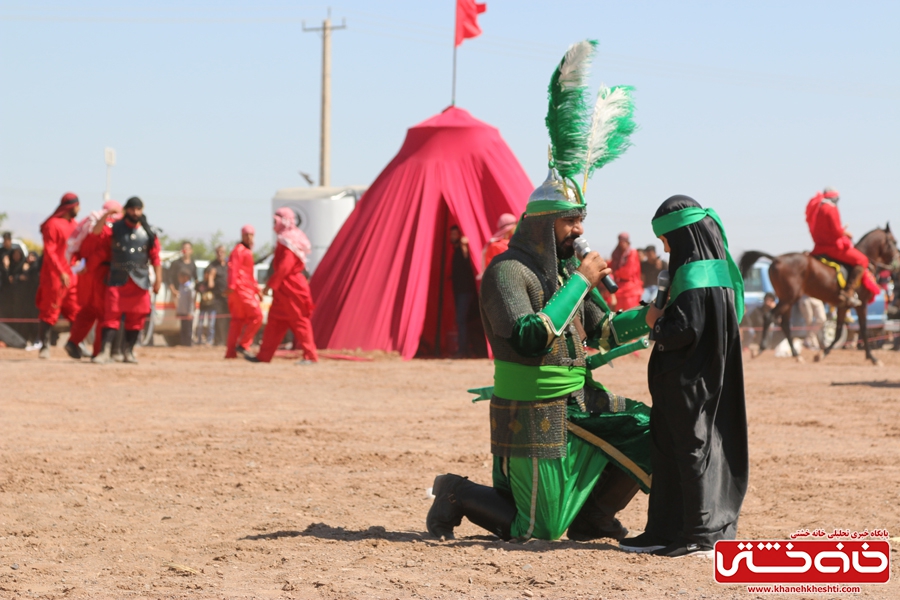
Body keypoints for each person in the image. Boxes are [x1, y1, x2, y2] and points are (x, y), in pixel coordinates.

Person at [426, 171, 654, 543]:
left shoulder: (566, 273)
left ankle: (594, 518)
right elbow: (530, 337)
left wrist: (650, 316)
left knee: (648, 431)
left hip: (580, 398)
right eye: (569, 220)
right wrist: (582, 280)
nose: (579, 230)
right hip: (532, 406)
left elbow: (605, 331)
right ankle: (456, 492)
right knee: (538, 531)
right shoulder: (506, 272)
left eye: (581, 219)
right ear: (543, 225)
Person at [620, 195, 748, 558]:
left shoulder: (695, 274)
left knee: (690, 450)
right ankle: (664, 530)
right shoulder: (710, 269)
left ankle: (699, 534)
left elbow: (684, 329)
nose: (662, 247)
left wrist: (655, 321)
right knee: (667, 451)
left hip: (690, 381)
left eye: (665, 239)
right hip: (683, 380)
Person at [92, 197, 162, 364]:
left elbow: (156, 258)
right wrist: (107, 215)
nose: (135, 213)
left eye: (139, 209)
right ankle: (104, 352)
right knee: (111, 316)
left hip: (140, 281)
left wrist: (158, 279)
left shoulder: (149, 232)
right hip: (117, 279)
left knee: (137, 319)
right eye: (132, 209)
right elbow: (96, 232)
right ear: (126, 210)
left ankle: (128, 352)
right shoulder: (115, 228)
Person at [249, 209, 318, 364]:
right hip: (284, 288)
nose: (274, 225)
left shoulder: (289, 241)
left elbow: (286, 266)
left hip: (291, 287)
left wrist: (271, 285)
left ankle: (310, 356)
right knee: (275, 321)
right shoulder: (285, 239)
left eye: (276, 221)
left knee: (299, 321)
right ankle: (264, 356)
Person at [63, 201, 122, 359]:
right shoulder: (108, 228)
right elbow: (102, 252)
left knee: (87, 311)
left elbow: (79, 250)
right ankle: (98, 352)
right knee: (103, 314)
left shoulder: (88, 226)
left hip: (86, 276)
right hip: (99, 275)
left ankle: (73, 342)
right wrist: (89, 266)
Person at [34, 192, 81, 358]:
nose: (79, 208)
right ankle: (44, 346)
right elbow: (50, 251)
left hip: (71, 275)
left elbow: (76, 250)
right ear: (71, 207)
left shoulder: (75, 225)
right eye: (77, 205)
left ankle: (76, 344)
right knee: (49, 309)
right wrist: (60, 271)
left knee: (76, 310)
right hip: (53, 275)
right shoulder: (52, 225)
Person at [805, 187, 869, 307]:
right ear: (835, 198)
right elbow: (836, 231)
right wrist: (846, 232)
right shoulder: (831, 209)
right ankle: (849, 292)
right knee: (862, 260)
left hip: (819, 247)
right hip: (833, 247)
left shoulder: (818, 208)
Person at [224, 226, 263, 358]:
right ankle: (244, 344)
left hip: (243, 289)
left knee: (237, 321)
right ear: (242, 236)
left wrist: (257, 289)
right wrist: (232, 285)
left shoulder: (246, 251)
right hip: (241, 289)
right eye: (247, 235)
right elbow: (233, 268)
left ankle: (230, 353)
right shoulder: (239, 250)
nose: (249, 237)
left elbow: (250, 274)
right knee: (257, 316)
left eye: (251, 235)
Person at [449, 225, 476, 357]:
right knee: (461, 320)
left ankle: (463, 350)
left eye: (455, 234)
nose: (453, 237)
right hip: (460, 291)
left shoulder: (461, 249)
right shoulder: (455, 250)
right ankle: (465, 349)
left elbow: (466, 257)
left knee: (461, 319)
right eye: (451, 235)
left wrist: (465, 245)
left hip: (465, 291)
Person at [609, 232, 643, 311]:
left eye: (624, 241)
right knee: (619, 314)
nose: (622, 243)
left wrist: (616, 273)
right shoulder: (616, 253)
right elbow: (611, 266)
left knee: (631, 314)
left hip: (631, 289)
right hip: (619, 288)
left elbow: (628, 272)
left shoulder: (632, 253)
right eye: (620, 241)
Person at [207, 244, 230, 345]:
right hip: (218, 298)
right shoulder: (212, 266)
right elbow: (209, 283)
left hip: (229, 298)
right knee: (219, 321)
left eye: (222, 252)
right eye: (218, 252)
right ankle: (219, 341)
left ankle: (228, 341)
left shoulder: (228, 265)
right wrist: (211, 277)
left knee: (229, 320)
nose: (220, 254)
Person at [195, 263, 216, 345]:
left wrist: (211, 277)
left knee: (211, 325)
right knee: (200, 324)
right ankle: (199, 340)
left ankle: (209, 341)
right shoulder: (200, 284)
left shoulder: (212, 283)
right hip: (202, 307)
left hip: (211, 306)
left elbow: (211, 286)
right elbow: (196, 294)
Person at [176, 269, 194, 346]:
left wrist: (190, 312)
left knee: (188, 330)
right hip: (182, 312)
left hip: (188, 313)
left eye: (180, 277)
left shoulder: (190, 287)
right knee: (183, 329)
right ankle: (183, 344)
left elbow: (191, 301)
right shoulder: (181, 286)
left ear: (186, 277)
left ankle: (188, 344)